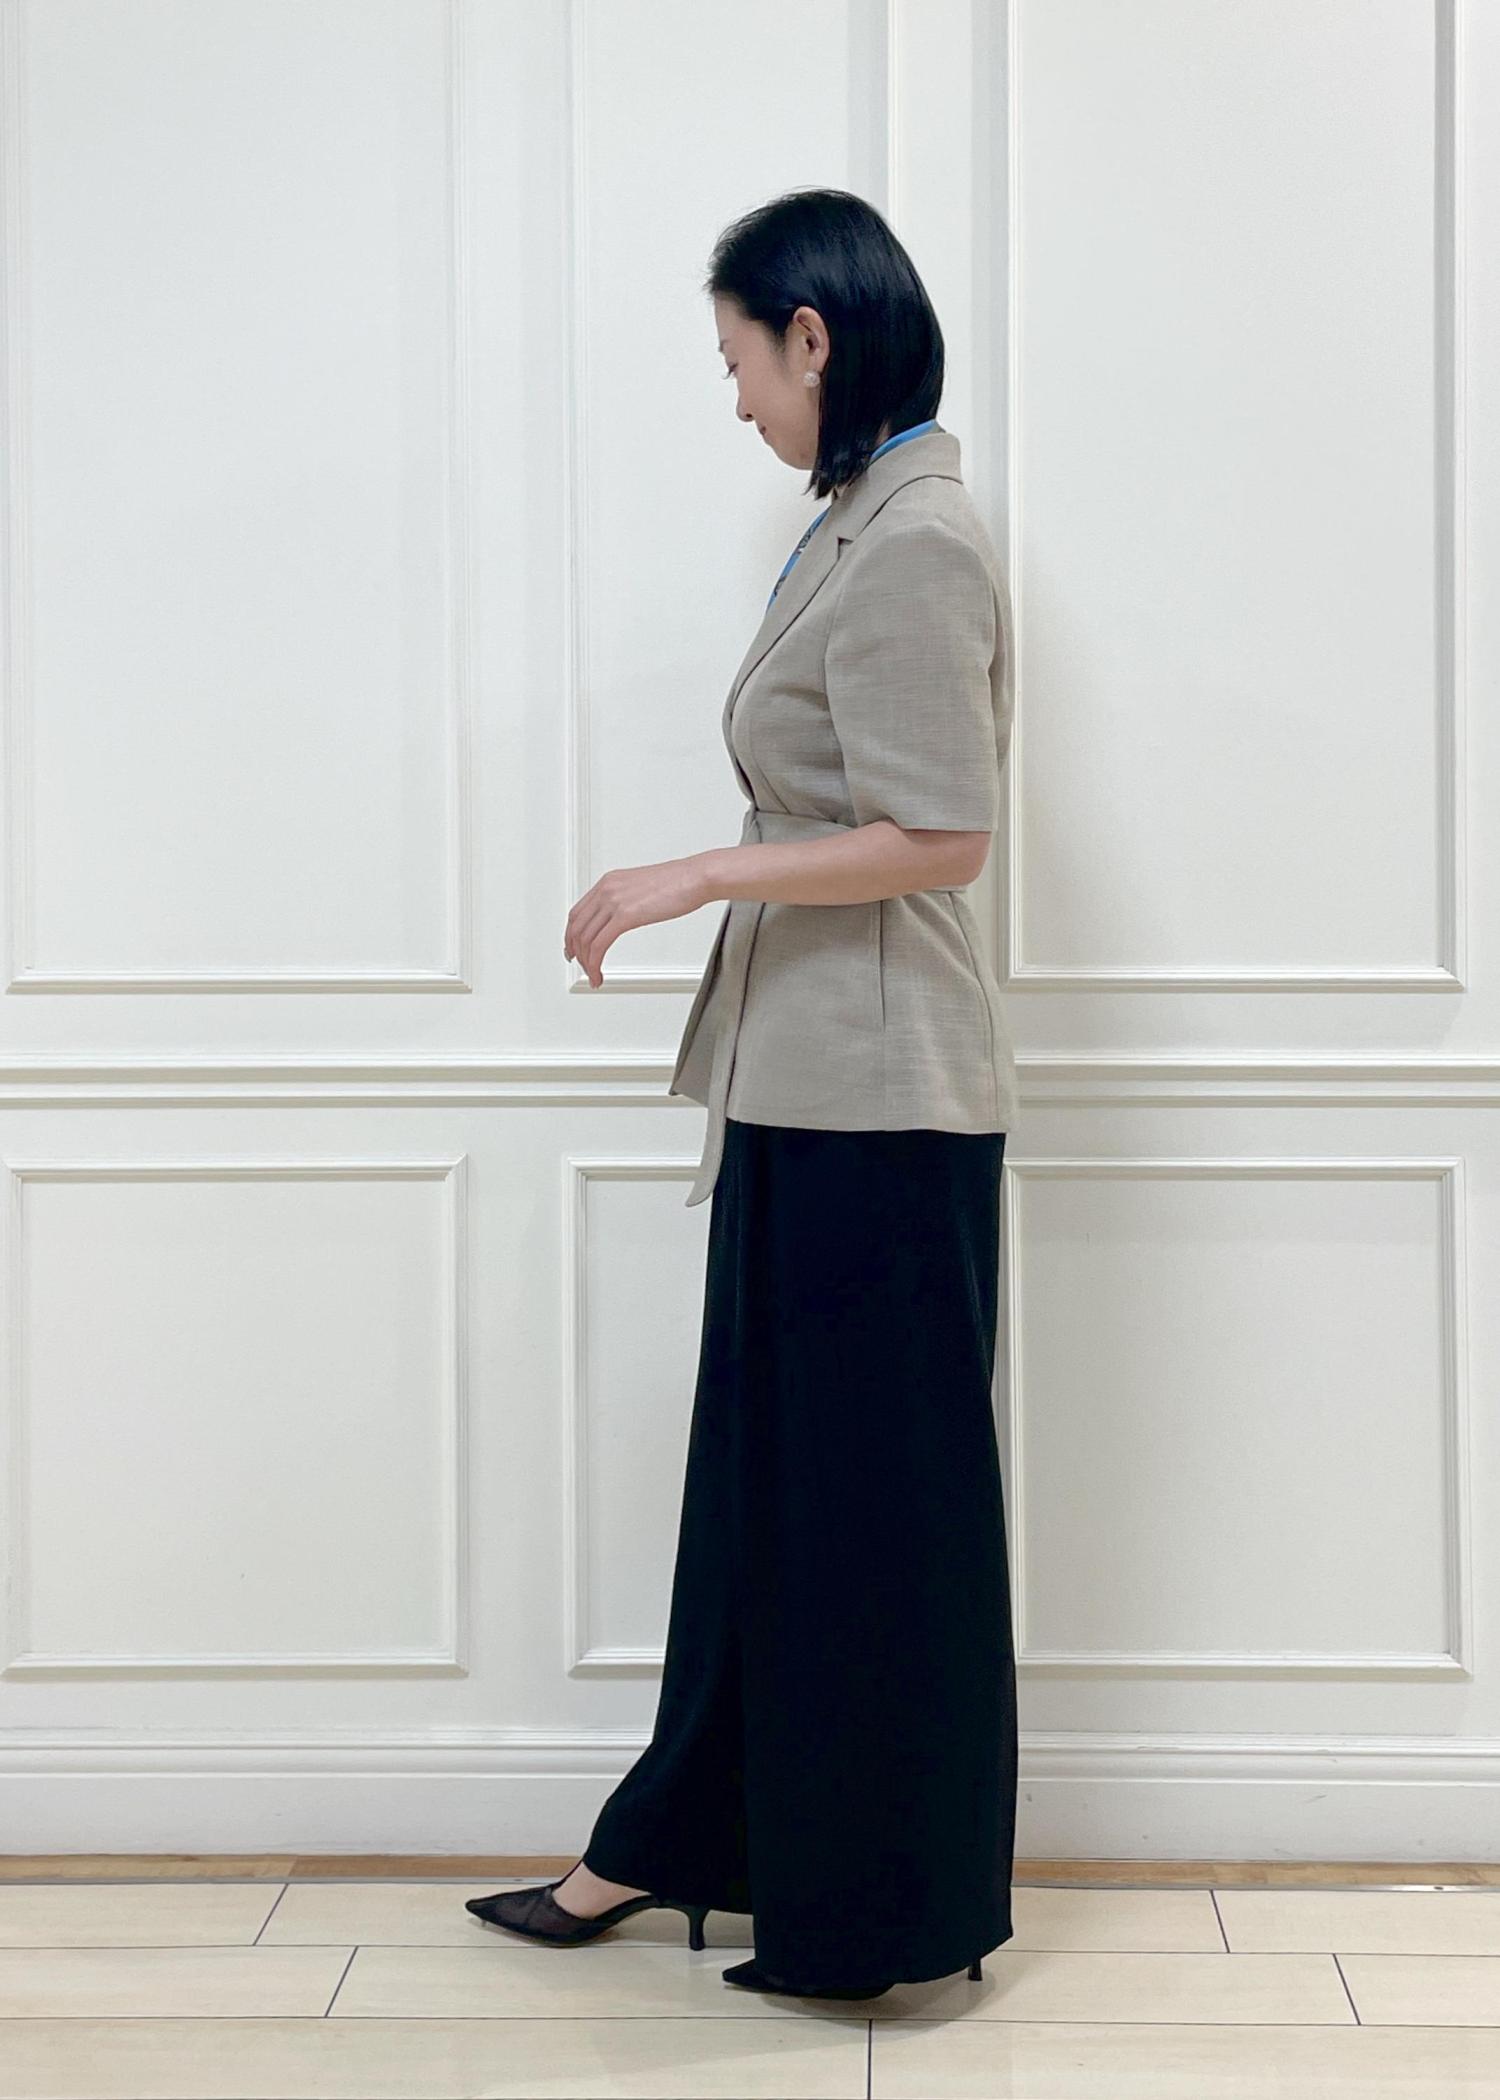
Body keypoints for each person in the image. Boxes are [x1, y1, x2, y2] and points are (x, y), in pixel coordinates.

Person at [466, 187, 1020, 2002]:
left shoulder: (919, 539)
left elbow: (942, 833)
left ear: (815, 335)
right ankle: (673, 1840)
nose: (735, 401)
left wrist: (697, 872)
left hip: (886, 1090)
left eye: (738, 361)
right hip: (808, 1077)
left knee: (871, 1515)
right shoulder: (853, 522)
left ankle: (878, 1915)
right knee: (770, 1495)